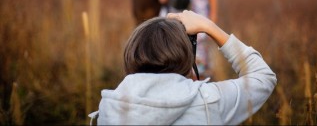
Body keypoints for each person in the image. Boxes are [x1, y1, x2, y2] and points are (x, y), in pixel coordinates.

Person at [89, 10, 277, 125]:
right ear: (187, 56)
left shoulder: (109, 107)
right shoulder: (209, 100)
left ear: (131, 54)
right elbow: (263, 77)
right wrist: (209, 27)